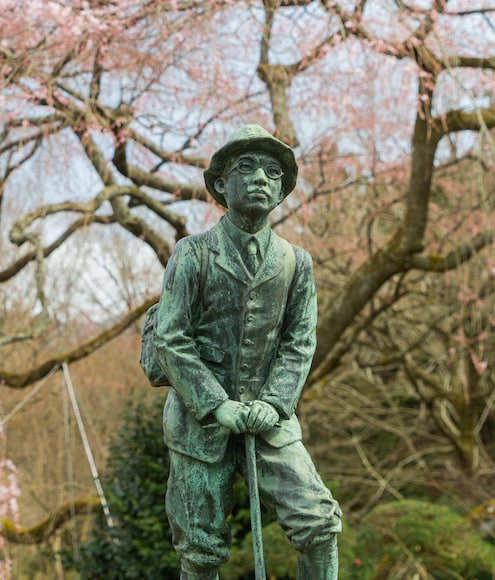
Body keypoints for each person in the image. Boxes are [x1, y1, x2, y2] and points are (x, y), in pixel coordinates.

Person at [153, 125, 341, 579]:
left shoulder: (297, 262)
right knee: (201, 550)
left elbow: (300, 342)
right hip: (201, 426)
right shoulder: (193, 254)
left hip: (270, 422)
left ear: (282, 190)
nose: (260, 177)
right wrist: (217, 406)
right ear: (221, 184)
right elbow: (169, 338)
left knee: (318, 524)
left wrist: (274, 404)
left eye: (273, 171)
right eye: (247, 167)